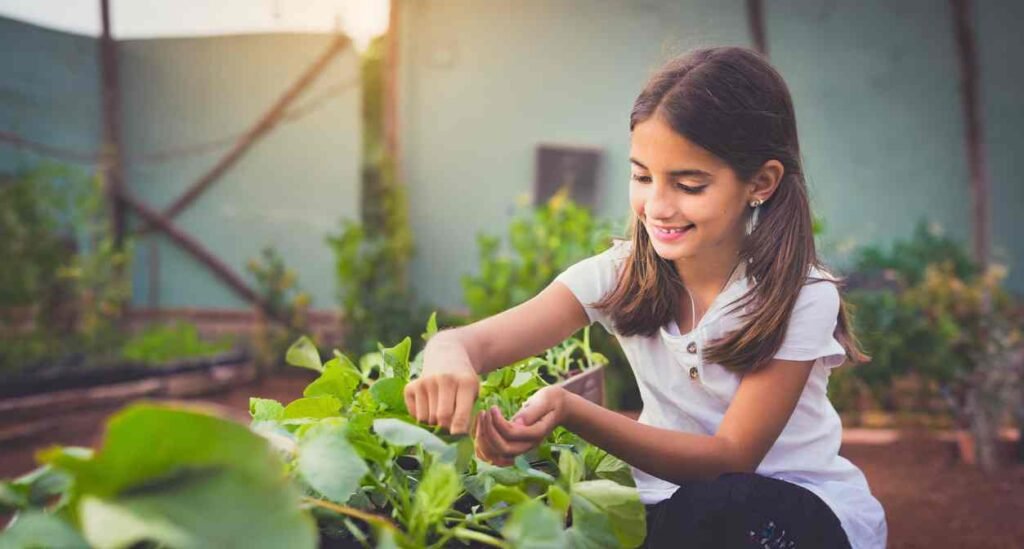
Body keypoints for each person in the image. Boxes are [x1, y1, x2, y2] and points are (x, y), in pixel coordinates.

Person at [403, 46, 887, 549]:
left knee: (719, 506)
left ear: (760, 183)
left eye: (689, 184)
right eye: (641, 177)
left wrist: (572, 410)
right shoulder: (621, 274)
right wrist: (447, 358)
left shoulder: (800, 295)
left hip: (789, 515)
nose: (657, 206)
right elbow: (473, 343)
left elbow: (730, 457)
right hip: (665, 509)